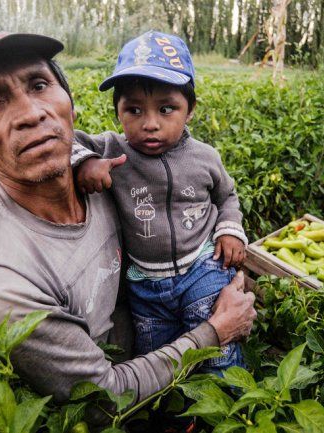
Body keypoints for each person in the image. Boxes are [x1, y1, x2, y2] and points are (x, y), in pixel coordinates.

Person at [0, 31, 256, 404]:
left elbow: (218, 198)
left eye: (39, 85)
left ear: (70, 107)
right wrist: (216, 329)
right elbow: (102, 400)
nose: (30, 113)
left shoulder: (111, 177)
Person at [72, 31, 247, 374]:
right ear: (117, 113)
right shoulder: (113, 150)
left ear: (190, 110)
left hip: (202, 269)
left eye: (167, 109)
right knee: (161, 357)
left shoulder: (205, 158)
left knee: (218, 353)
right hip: (145, 284)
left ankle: (224, 410)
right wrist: (86, 162)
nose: (150, 124)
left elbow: (227, 196)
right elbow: (65, 141)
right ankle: (172, 417)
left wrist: (231, 231)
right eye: (134, 110)